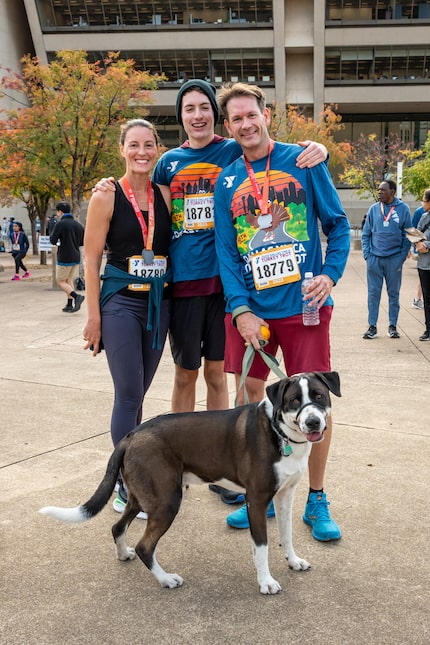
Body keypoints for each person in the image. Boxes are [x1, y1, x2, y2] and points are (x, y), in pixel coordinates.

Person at [95, 79, 328, 416]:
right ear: (181, 117)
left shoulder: (233, 149)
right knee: (185, 373)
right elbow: (141, 191)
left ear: (217, 117)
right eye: (189, 109)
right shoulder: (169, 162)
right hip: (184, 283)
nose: (198, 115)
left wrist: (320, 150)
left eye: (204, 107)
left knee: (217, 375)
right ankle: (181, 446)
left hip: (225, 284)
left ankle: (214, 446)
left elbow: (272, 148)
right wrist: (108, 183)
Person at [213, 82, 350, 541]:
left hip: (305, 307)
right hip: (254, 313)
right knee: (251, 405)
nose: (246, 124)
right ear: (227, 126)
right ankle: (262, 492)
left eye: (252, 114)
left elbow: (337, 224)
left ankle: (316, 499)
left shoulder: (305, 160)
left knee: (316, 406)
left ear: (266, 114)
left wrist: (329, 275)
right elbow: (227, 253)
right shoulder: (227, 179)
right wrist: (239, 310)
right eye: (236, 119)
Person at [82, 118, 172, 518]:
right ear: (122, 149)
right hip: (120, 304)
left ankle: (130, 470)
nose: (141, 152)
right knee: (129, 395)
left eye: (148, 145)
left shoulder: (166, 195)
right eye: (133, 145)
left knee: (139, 397)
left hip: (158, 304)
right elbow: (91, 259)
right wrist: (93, 317)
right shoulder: (105, 196)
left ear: (157, 150)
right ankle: (125, 480)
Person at [362, 180, 412, 339]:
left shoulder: (403, 209)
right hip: (374, 260)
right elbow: (366, 234)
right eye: (378, 190)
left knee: (394, 294)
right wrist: (367, 255)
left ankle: (392, 326)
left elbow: (408, 235)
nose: (379, 193)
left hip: (394, 260)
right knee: (373, 294)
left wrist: (401, 257)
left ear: (392, 192)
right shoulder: (373, 209)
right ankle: (372, 326)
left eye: (383, 190)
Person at [50, 202, 85, 313]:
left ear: (60, 211)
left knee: (60, 281)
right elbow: (82, 241)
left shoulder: (60, 224)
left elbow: (52, 240)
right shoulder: (77, 224)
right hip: (76, 256)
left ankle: (76, 296)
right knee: (69, 280)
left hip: (64, 256)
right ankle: (69, 304)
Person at [414, 188, 430, 341]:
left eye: (424, 200)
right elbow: (414, 233)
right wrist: (418, 243)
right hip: (424, 265)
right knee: (427, 298)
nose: (422, 203)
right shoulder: (424, 216)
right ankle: (428, 329)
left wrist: (428, 245)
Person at [411, 202, 425, 309]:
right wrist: (418, 245)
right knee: (424, 275)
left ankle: (418, 299)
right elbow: (413, 230)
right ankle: (417, 299)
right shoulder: (420, 212)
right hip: (424, 251)